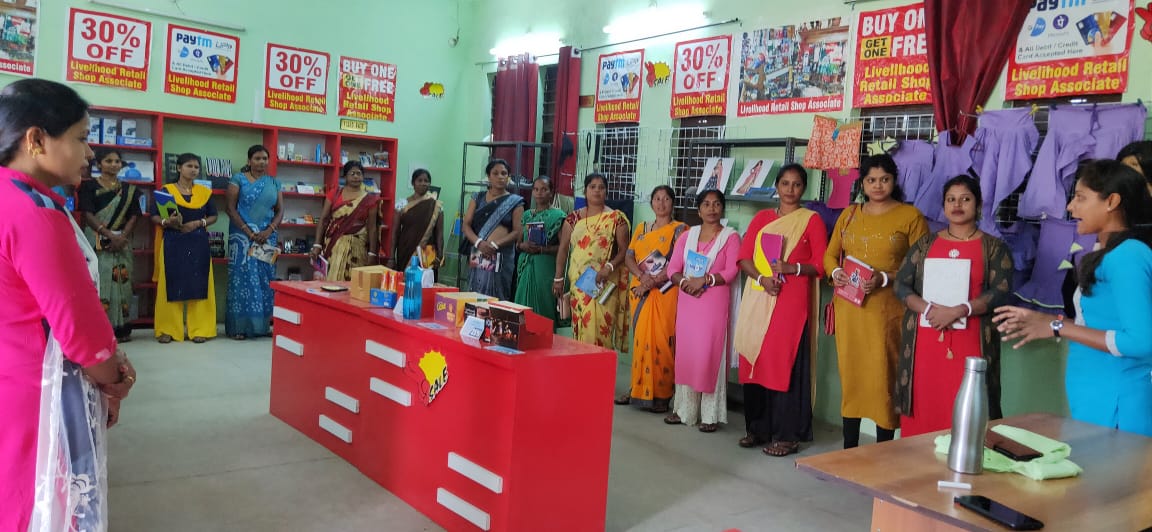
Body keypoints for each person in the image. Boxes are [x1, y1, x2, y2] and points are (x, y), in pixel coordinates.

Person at [0, 78, 136, 531]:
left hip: (9, 374)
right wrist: (115, 379)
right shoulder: (36, 213)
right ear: (36, 140)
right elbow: (80, 333)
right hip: (40, 393)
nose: (90, 153)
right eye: (80, 138)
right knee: (46, 507)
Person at [994, 160, 1152, 437]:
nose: (1070, 207)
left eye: (1080, 197)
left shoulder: (1128, 256)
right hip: (1096, 404)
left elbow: (1140, 341)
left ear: (1112, 202)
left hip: (1118, 409)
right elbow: (1099, 326)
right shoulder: (1108, 253)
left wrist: (1058, 327)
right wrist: (1046, 322)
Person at [894, 175, 1013, 437]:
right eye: (951, 199)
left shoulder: (994, 248)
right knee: (925, 402)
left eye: (965, 199)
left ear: (978, 205)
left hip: (971, 340)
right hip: (925, 339)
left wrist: (960, 310)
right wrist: (928, 309)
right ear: (943, 205)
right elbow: (901, 285)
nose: (957, 205)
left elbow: (1001, 291)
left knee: (967, 405)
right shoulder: (925, 244)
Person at [824, 154, 928, 448]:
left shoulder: (910, 216)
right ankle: (849, 450)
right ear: (863, 183)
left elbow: (922, 264)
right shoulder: (850, 214)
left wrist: (885, 278)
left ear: (894, 181)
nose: (878, 185)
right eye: (871, 180)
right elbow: (830, 254)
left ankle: (883, 451)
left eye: (884, 179)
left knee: (884, 378)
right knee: (852, 378)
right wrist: (835, 272)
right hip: (850, 311)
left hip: (888, 313)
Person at [733, 164, 828, 456]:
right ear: (776, 186)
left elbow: (821, 265)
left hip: (791, 302)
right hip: (759, 295)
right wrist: (762, 278)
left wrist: (792, 268)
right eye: (785, 183)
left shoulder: (811, 221)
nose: (790, 189)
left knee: (783, 362)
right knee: (755, 359)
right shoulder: (762, 218)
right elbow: (744, 258)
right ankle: (757, 429)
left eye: (796, 184)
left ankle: (787, 436)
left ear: (804, 188)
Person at [664, 190, 740, 431]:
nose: (711, 208)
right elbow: (672, 269)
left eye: (716, 204)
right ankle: (684, 410)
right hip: (688, 300)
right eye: (706, 204)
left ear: (722, 208)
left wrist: (705, 280)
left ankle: (710, 415)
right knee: (688, 353)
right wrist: (685, 283)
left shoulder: (730, 237)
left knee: (709, 354)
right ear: (698, 210)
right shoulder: (688, 236)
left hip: (713, 303)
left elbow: (731, 271)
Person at [618, 185, 686, 412]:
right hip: (640, 291)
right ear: (651, 203)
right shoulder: (642, 228)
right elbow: (629, 257)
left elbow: (678, 262)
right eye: (657, 199)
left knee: (663, 341)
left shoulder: (680, 230)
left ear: (672, 202)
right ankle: (637, 389)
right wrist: (642, 277)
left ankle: (663, 395)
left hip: (665, 292)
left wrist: (652, 281)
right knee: (641, 341)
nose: (661, 203)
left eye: (666, 199)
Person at [553, 173, 630, 350]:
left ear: (606, 192)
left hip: (604, 283)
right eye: (592, 187)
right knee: (581, 328)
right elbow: (563, 249)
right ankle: (582, 366)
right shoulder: (573, 218)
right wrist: (558, 278)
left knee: (602, 331)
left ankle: (600, 366)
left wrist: (608, 267)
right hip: (579, 284)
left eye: (601, 187)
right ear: (585, 191)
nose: (597, 191)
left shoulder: (616, 219)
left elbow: (624, 250)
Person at [78, 148, 143, 342]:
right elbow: (87, 214)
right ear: (99, 164)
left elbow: (134, 215)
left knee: (122, 282)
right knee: (99, 281)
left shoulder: (129, 190)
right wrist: (108, 235)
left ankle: (121, 329)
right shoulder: (88, 186)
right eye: (108, 161)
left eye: (117, 161)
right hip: (96, 240)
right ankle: (99, 329)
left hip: (122, 241)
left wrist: (121, 237)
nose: (114, 165)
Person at [152, 153, 219, 344]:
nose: (193, 170)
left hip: (198, 242)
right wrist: (167, 222)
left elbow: (214, 215)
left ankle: (200, 329)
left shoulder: (204, 193)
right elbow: (154, 216)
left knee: (200, 284)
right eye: (189, 166)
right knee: (170, 284)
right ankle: (168, 330)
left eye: (196, 167)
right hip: (173, 242)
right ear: (178, 168)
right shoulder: (167, 191)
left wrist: (199, 223)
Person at [225, 144, 283, 340]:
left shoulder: (274, 183)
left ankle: (262, 327)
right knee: (241, 280)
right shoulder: (238, 179)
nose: (261, 162)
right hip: (242, 238)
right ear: (249, 161)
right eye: (257, 158)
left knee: (264, 280)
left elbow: (280, 210)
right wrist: (248, 232)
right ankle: (238, 328)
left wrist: (269, 230)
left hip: (267, 238)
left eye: (265, 159)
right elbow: (230, 208)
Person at [461, 159, 524, 299]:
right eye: (495, 173)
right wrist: (479, 243)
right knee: (476, 292)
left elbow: (517, 232)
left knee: (497, 295)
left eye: (504, 173)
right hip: (479, 250)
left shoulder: (515, 201)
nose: (500, 177)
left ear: (508, 177)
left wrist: (495, 245)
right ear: (488, 176)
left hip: (501, 254)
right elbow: (466, 225)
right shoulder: (477, 197)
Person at [311, 161, 380, 281]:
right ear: (345, 176)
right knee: (330, 281)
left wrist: (372, 253)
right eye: (352, 173)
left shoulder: (370, 199)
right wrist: (317, 245)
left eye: (359, 173)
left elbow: (372, 228)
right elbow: (323, 220)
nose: (356, 176)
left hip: (357, 247)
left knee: (354, 283)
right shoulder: (335, 194)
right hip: (333, 245)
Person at [514, 176, 565, 324]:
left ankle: (544, 335)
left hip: (545, 268)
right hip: (525, 267)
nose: (539, 193)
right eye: (536, 189)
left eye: (544, 189)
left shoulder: (559, 216)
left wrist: (543, 250)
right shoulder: (527, 215)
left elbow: (564, 247)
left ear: (551, 192)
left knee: (544, 306)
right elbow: (518, 243)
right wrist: (523, 246)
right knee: (522, 305)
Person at [390, 168, 443, 274]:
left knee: (426, 281)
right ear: (413, 183)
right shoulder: (402, 204)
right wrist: (391, 257)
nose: (423, 183)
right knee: (405, 280)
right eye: (419, 180)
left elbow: (439, 233)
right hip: (405, 250)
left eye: (426, 181)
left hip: (428, 252)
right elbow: (395, 232)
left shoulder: (436, 205)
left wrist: (440, 255)